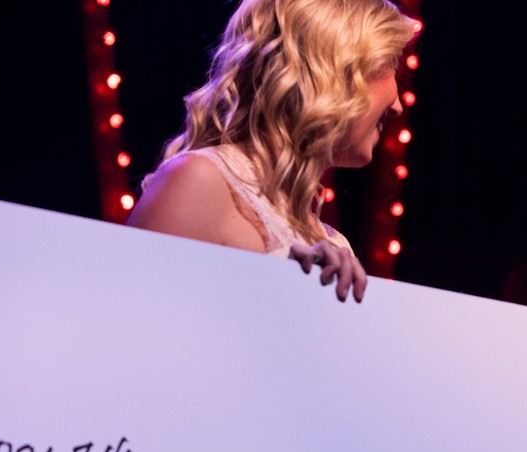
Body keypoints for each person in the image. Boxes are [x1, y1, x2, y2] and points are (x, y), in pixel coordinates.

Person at [127, 0, 417, 303]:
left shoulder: (334, 242)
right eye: (388, 65)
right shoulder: (200, 179)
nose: (397, 105)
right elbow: (130, 320)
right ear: (331, 74)